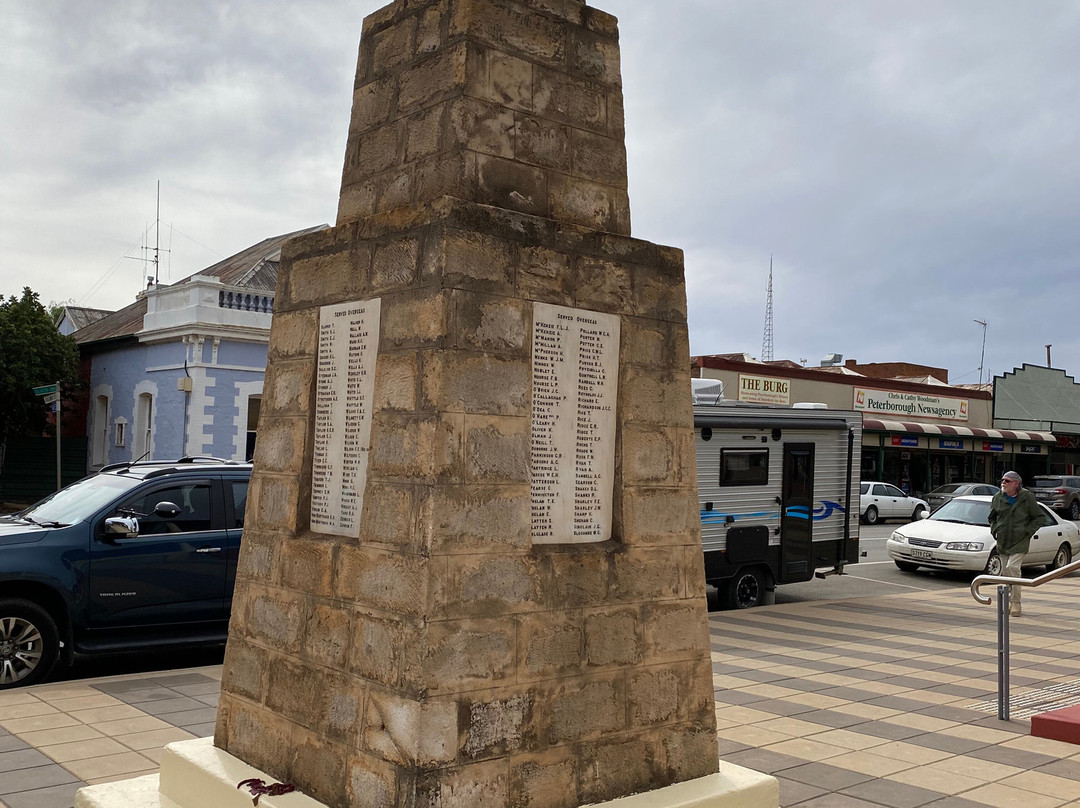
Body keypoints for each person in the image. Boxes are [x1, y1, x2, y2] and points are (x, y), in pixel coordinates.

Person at [988, 470, 1043, 616]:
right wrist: (994, 530)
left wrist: (1027, 531)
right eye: (1003, 480)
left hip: (1020, 540)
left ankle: (1016, 601)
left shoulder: (1027, 497)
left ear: (1016, 483)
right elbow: (992, 517)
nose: (1003, 483)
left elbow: (1039, 517)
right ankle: (1008, 601)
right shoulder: (997, 497)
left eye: (1007, 481)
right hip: (1003, 539)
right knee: (1006, 572)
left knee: (1012, 567)